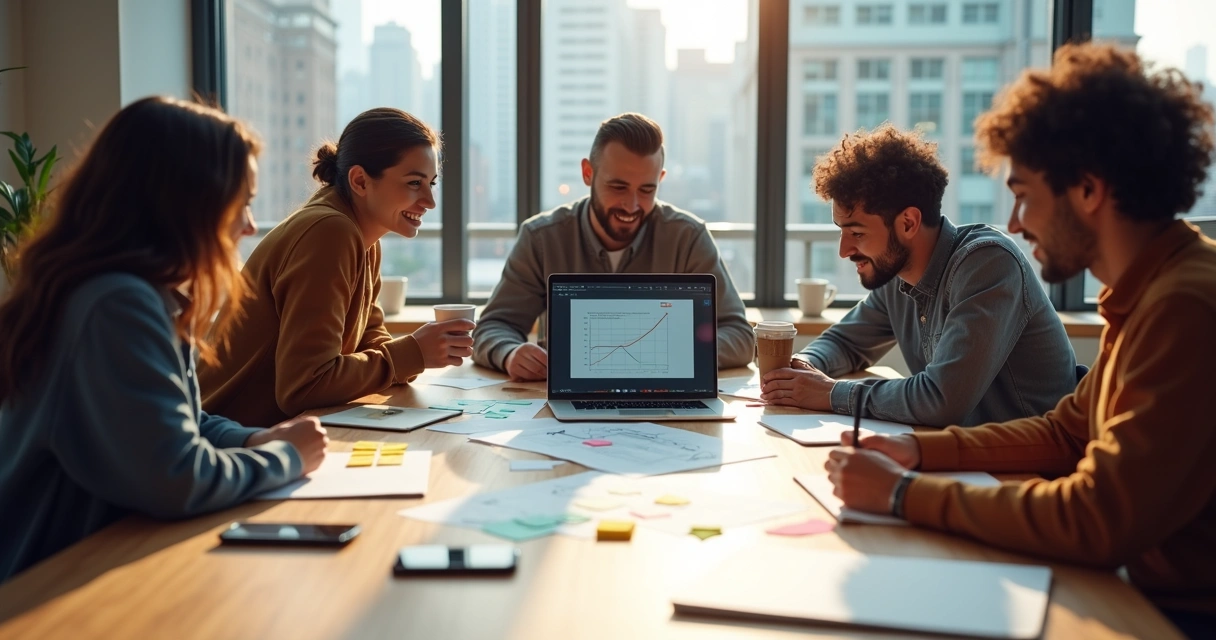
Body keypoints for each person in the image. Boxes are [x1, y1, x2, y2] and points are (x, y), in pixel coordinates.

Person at [824, 43, 1216, 635]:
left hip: (1178, 614)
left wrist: (904, 495)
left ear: (1087, 190)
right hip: (1138, 587)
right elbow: (1066, 430)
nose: (1014, 221)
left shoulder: (1184, 305)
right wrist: (921, 453)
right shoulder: (1147, 291)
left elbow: (1097, 518)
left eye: (1025, 193)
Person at [0, 97, 328, 582]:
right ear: (188, 203)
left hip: (100, 558)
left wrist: (254, 438)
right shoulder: (116, 304)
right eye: (242, 204)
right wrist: (285, 456)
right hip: (47, 583)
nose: (249, 226)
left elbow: (183, 423)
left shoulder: (131, 292)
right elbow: (175, 478)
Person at [760, 124, 1077, 427]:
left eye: (856, 232)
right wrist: (803, 368)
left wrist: (829, 393)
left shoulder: (988, 264)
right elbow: (845, 342)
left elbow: (942, 399)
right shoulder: (899, 276)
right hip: (963, 458)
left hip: (1028, 467)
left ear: (909, 223)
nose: (843, 250)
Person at [199, 108, 474, 427]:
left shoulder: (363, 238)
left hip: (274, 434)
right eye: (414, 183)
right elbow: (304, 386)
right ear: (360, 180)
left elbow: (370, 339)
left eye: (431, 183)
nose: (429, 201)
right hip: (232, 440)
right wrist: (412, 353)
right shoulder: (329, 232)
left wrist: (419, 353)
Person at [473, 113, 753, 380]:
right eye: (618, 187)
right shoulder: (542, 238)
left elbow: (740, 336)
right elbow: (492, 327)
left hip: (660, 397)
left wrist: (663, 354)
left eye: (646, 190)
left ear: (661, 180)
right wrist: (509, 354)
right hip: (567, 401)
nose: (631, 206)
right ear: (587, 173)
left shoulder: (688, 237)